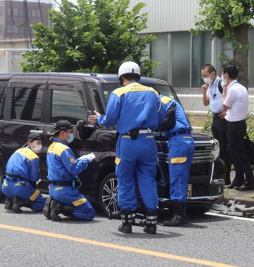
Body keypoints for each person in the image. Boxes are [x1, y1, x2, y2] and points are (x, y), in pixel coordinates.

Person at [88, 61, 164, 234]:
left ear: (122, 76)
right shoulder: (153, 93)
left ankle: (127, 223)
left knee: (125, 179)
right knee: (148, 179)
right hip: (148, 139)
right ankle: (151, 223)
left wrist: (99, 118)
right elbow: (160, 117)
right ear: (138, 75)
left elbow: (110, 119)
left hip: (128, 141)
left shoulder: (119, 93)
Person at [43, 120, 96, 221]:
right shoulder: (64, 149)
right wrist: (86, 159)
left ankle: (56, 202)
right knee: (89, 213)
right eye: (70, 132)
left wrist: (78, 161)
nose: (71, 135)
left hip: (53, 188)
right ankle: (60, 207)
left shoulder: (52, 146)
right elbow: (74, 169)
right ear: (62, 133)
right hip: (65, 190)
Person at [159, 95, 194, 226]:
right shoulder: (168, 100)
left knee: (177, 178)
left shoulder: (160, 101)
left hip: (178, 141)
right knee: (182, 178)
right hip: (186, 139)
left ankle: (179, 215)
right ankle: (180, 213)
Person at [221, 63, 254, 190]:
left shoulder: (232, 89)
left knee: (239, 153)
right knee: (235, 153)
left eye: (223, 73)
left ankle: (249, 181)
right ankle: (239, 178)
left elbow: (224, 106)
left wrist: (223, 93)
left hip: (234, 125)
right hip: (239, 123)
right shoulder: (240, 87)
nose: (222, 76)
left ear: (226, 75)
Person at [200, 64, 231, 185]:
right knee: (217, 148)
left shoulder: (221, 83)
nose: (204, 78)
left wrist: (226, 110)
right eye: (202, 76)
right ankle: (219, 174)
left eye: (206, 75)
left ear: (213, 73)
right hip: (215, 118)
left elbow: (229, 97)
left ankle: (227, 177)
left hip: (222, 118)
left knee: (224, 148)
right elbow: (206, 103)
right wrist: (204, 91)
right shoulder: (210, 85)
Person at [1, 131, 46, 213]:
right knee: (41, 202)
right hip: (19, 187)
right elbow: (34, 178)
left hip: (5, 186)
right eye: (38, 143)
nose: (40, 145)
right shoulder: (33, 157)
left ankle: (10, 200)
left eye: (41, 143)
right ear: (29, 143)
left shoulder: (18, 151)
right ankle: (21, 202)